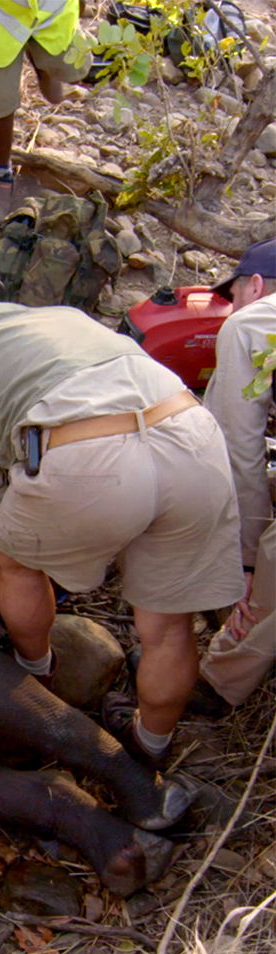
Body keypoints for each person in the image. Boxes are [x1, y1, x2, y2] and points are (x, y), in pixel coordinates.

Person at [0, 286, 245, 769]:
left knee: (18, 562)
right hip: (191, 432)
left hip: (86, 453)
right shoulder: (62, 316)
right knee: (169, 623)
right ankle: (150, 745)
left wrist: (30, 531)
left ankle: (36, 673)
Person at [195, 237, 276, 709]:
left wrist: (245, 560)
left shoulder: (249, 325)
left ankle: (218, 681)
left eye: (234, 295)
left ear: (257, 285)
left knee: (271, 562)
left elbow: (239, 452)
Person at [0, 0, 90, 226]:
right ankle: (2, 173)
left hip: (52, 17)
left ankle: (40, 61)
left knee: (75, 72)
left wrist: (80, 8)